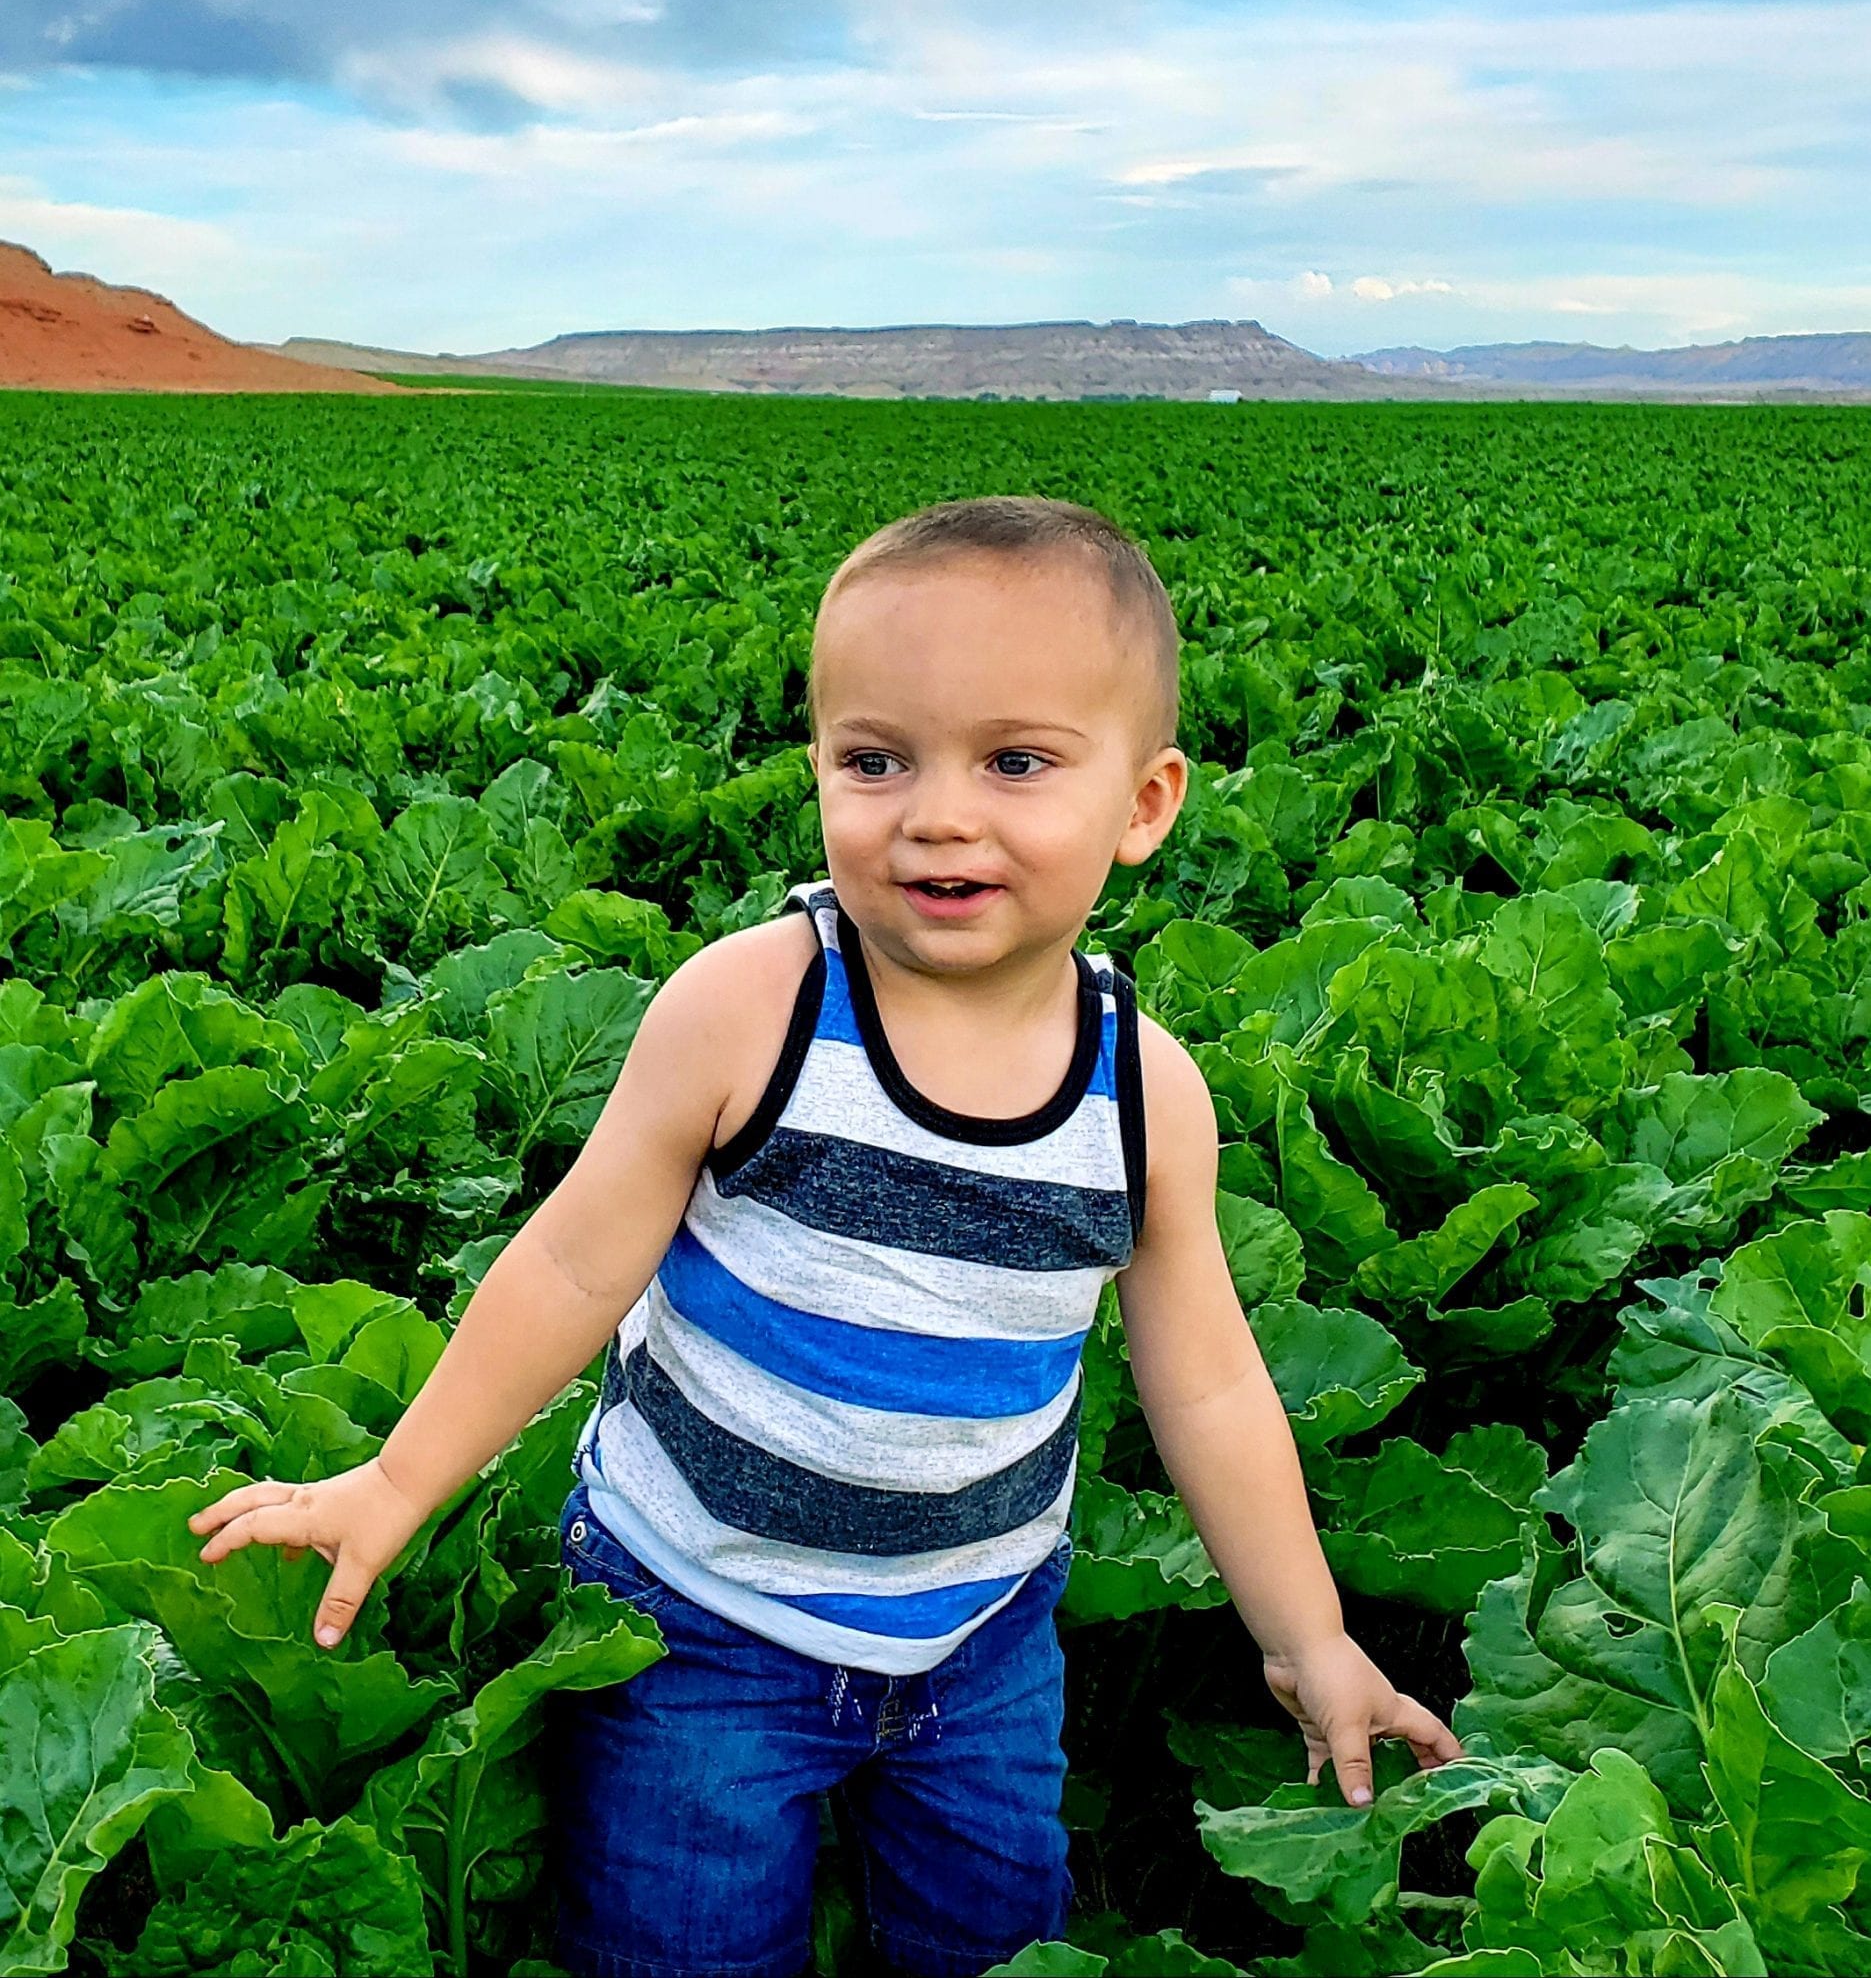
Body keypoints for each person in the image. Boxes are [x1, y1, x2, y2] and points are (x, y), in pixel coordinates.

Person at [192, 494, 1459, 1978]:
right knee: (680, 1951)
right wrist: (395, 1484)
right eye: (876, 760)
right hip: (701, 1623)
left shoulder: (1143, 1097)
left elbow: (1211, 1387)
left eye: (1017, 763)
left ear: (1144, 805)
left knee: (989, 1948)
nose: (935, 812)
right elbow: (570, 1264)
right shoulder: (754, 1006)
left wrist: (1307, 1641)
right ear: (818, 773)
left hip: (983, 1641)